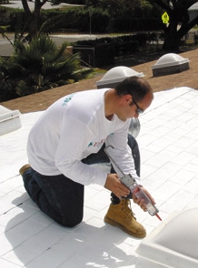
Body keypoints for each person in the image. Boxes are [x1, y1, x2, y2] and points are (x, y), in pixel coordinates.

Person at [19, 76, 155, 238]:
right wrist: (104, 180)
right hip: (50, 160)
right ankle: (31, 176)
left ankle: (118, 209)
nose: (136, 116)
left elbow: (119, 151)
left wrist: (136, 186)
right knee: (69, 218)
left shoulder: (120, 112)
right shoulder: (83, 116)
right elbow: (65, 163)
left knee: (130, 144)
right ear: (127, 99)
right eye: (139, 111)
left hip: (79, 149)